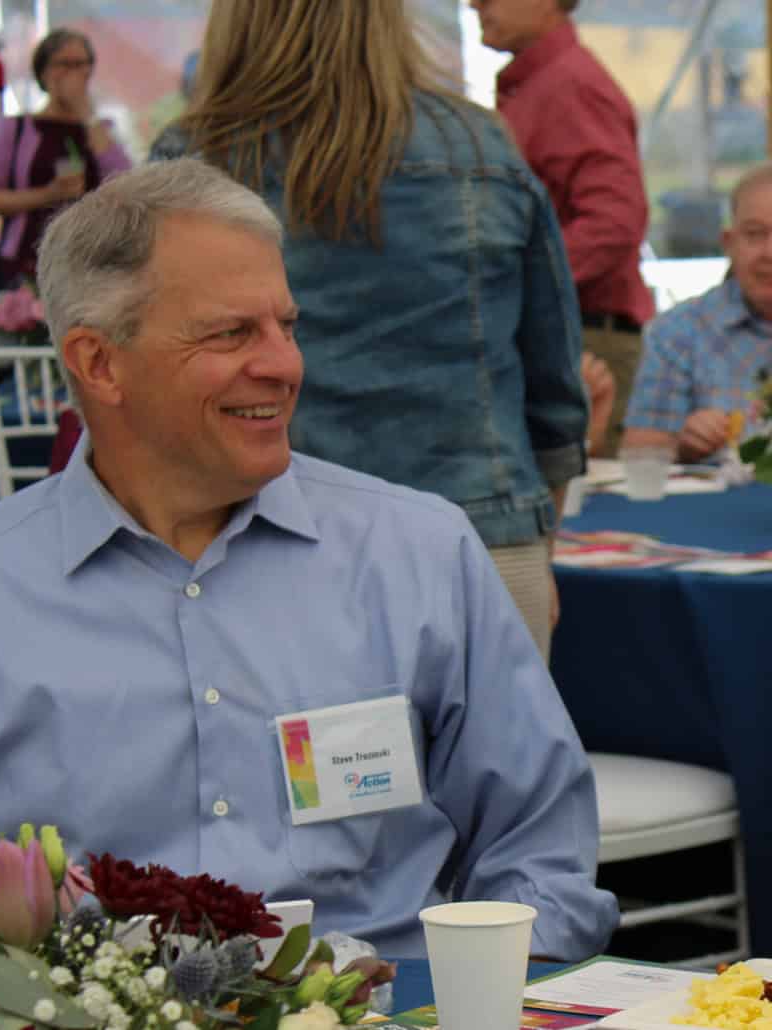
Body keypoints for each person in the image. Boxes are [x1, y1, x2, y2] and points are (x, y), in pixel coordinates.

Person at [0, 159, 617, 976]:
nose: (282, 364)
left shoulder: (418, 557)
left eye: (286, 326)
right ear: (99, 362)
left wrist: (481, 994)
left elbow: (538, 851)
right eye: (231, 333)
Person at [149, 0, 587, 659]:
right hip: (483, 540)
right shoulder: (478, 145)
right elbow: (554, 389)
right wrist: (536, 536)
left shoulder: (193, 158)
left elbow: (152, 383)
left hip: (261, 545)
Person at [471, 0, 654, 457]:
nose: (474, 2)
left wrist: (513, 283)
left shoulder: (570, 86)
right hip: (568, 336)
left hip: (581, 344)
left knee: (579, 493)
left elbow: (614, 224)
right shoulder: (547, 84)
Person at [623, 164, 772, 463]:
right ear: (729, 243)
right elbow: (637, 454)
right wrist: (680, 444)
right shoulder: (678, 331)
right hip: (715, 492)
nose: (769, 253)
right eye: (755, 234)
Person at [0, 27, 132, 283]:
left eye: (82, 64)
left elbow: (126, 185)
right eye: (64, 64)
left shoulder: (100, 130)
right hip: (27, 262)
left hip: (89, 265)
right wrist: (47, 195)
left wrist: (86, 114)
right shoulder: (16, 129)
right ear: (44, 72)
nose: (74, 74)